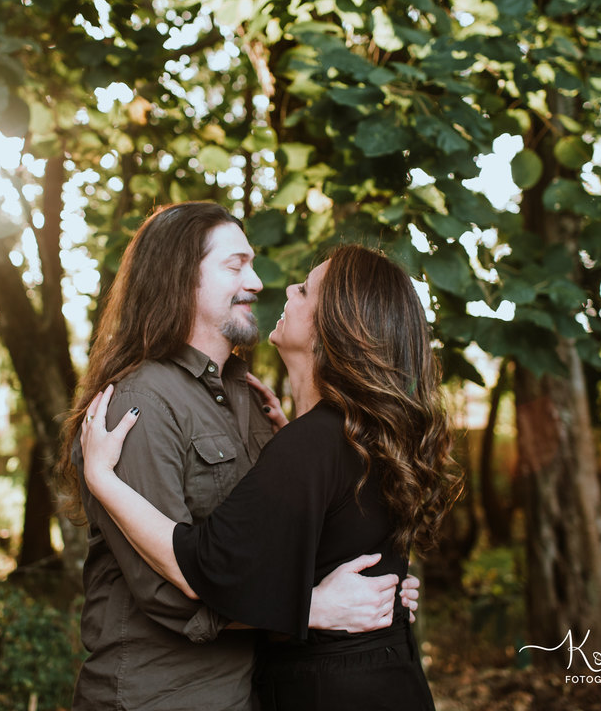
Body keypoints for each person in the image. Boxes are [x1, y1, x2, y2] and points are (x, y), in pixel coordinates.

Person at [56, 204, 417, 711]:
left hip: (246, 691)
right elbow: (169, 588)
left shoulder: (248, 399)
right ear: (181, 278)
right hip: (158, 696)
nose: (258, 281)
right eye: (235, 265)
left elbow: (272, 544)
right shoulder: (139, 403)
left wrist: (379, 588)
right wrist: (314, 607)